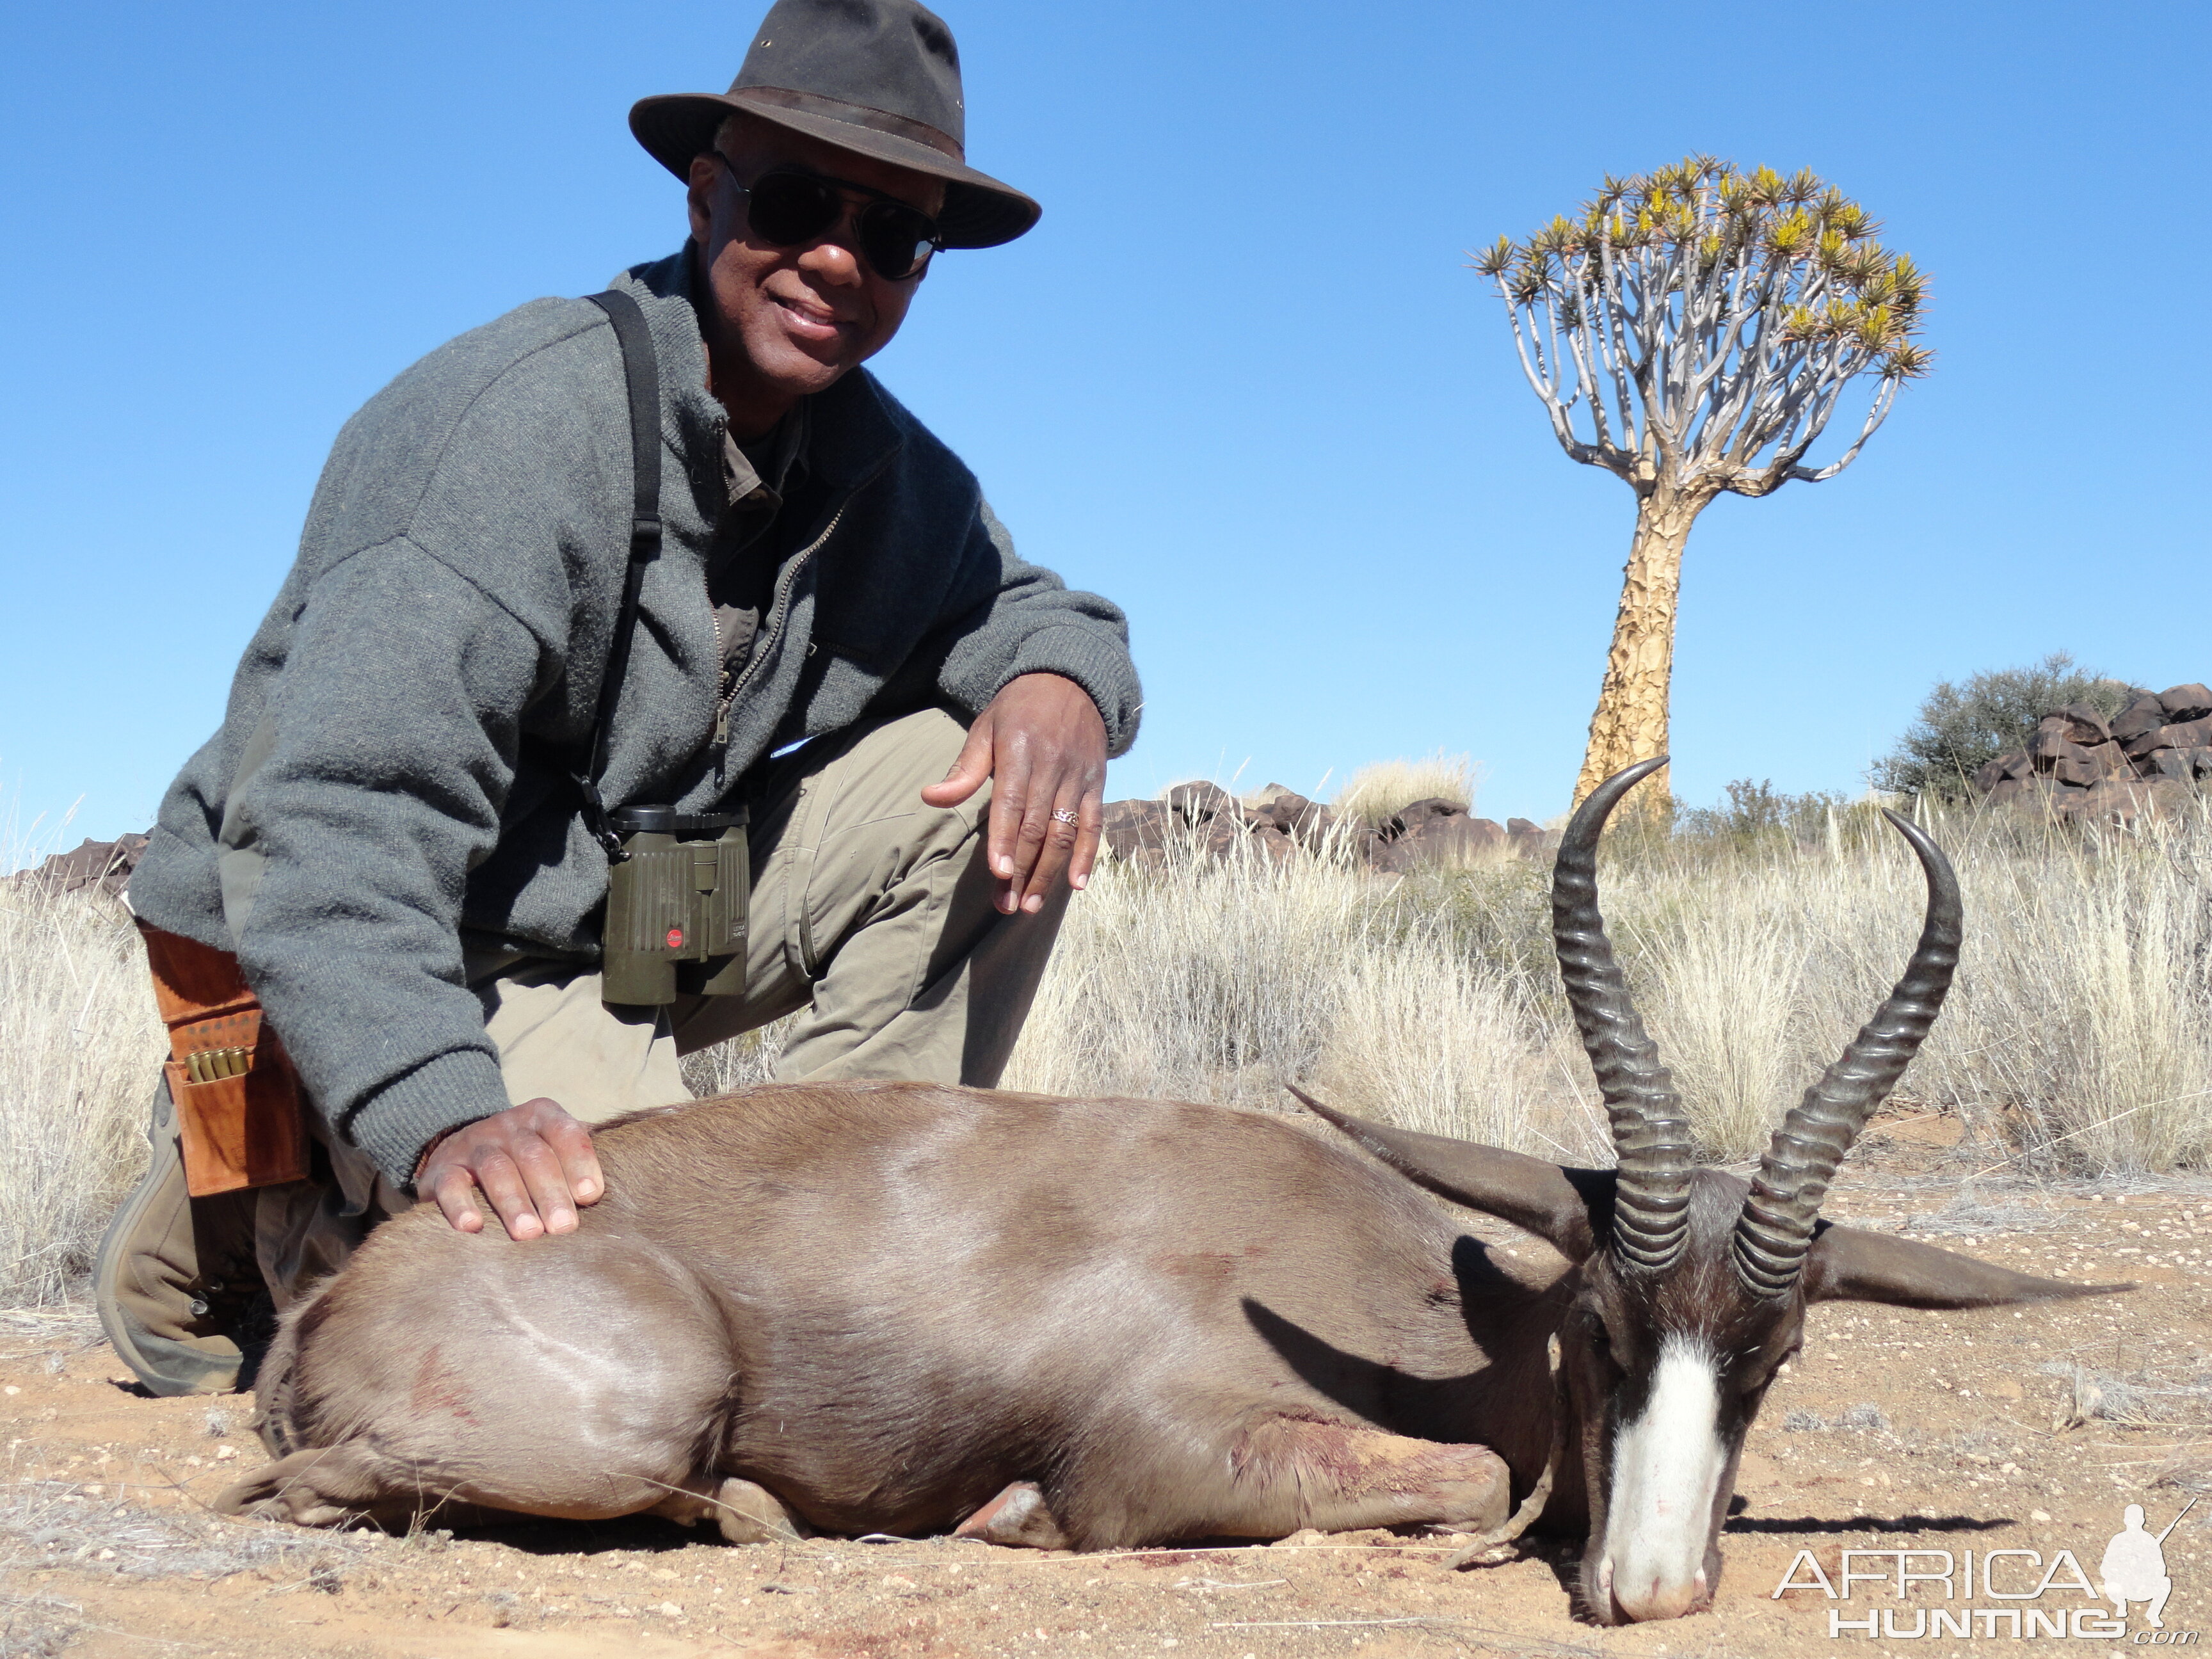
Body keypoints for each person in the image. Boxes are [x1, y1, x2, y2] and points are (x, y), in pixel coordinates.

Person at [96, 0, 1140, 1397]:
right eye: (794, 202)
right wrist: (440, 1112)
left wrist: (1068, 682)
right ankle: (267, 1196)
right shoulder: (510, 425)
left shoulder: (888, 476)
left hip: (621, 918)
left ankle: (845, 1243)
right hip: (404, 923)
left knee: (981, 771)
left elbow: (1033, 610)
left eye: (892, 234)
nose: (839, 256)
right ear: (708, 198)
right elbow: (336, 822)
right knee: (629, 1285)